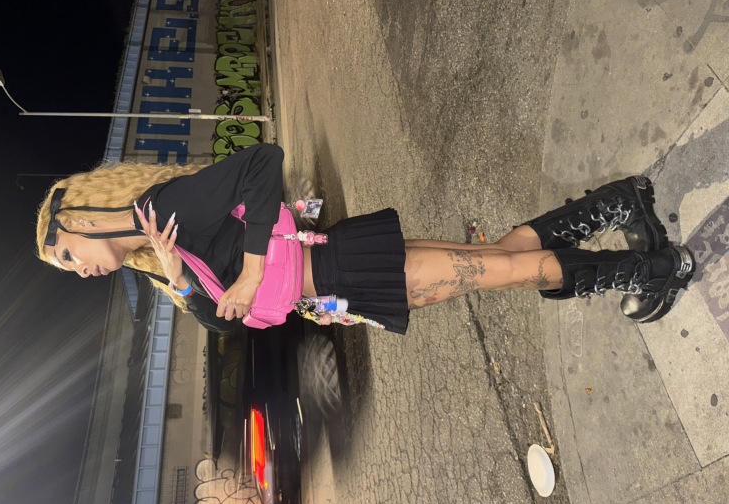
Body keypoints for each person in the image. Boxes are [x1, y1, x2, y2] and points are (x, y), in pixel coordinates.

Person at [35, 143, 694, 334]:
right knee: (499, 260)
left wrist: (251, 271)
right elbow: (223, 322)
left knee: (505, 271)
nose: (79, 269)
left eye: (67, 255)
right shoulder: (156, 244)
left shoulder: (160, 207)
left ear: (81, 218)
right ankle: (619, 203)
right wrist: (180, 277)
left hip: (342, 267)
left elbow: (262, 164)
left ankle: (653, 270)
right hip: (337, 280)